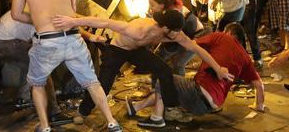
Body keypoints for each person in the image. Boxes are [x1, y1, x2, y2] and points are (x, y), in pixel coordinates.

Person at [11, 0, 122, 132]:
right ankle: (112, 122)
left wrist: (39, 20)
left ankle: (45, 126)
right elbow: (71, 11)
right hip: (73, 38)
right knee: (92, 82)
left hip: (46, 41)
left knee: (37, 84)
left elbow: (15, 14)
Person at [52, 9, 233, 119]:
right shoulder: (139, 29)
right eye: (175, 31)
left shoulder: (174, 33)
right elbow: (105, 21)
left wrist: (218, 68)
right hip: (117, 49)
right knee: (104, 85)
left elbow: (197, 49)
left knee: (164, 70)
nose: (178, 35)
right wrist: (74, 21)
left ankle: (170, 107)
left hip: (137, 51)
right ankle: (83, 111)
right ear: (165, 28)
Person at [128, 23, 264, 128]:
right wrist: (258, 106)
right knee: (170, 89)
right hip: (212, 106)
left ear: (228, 33)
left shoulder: (221, 36)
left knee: (164, 76)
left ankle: (156, 118)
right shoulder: (246, 58)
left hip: (198, 93)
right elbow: (259, 85)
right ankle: (136, 106)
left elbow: (190, 45)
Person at [0, 11, 74, 125]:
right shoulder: (40, 14)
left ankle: (24, 101)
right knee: (43, 70)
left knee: (29, 63)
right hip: (5, 42)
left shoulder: (36, 4)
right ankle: (53, 113)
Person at [149, 0, 207, 76]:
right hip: (186, 35)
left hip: (197, 35)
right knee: (164, 57)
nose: (150, 8)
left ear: (161, 5)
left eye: (152, 5)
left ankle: (180, 86)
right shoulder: (165, 12)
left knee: (178, 64)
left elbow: (174, 37)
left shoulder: (174, 15)